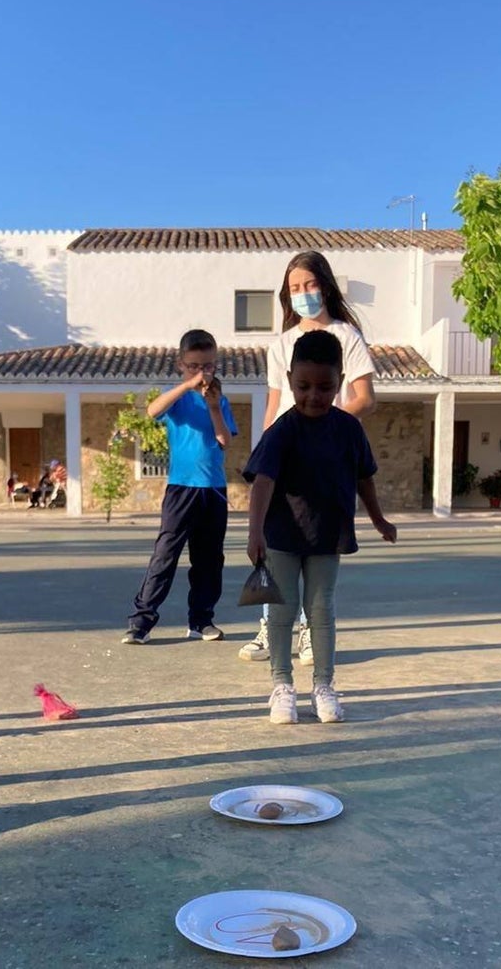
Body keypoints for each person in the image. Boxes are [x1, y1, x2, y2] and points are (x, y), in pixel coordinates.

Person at [243, 330, 397, 724]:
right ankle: (282, 686)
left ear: (340, 380)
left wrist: (378, 517)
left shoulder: (348, 429)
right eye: (303, 386)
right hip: (281, 537)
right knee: (282, 609)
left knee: (320, 609)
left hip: (327, 534)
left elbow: (365, 477)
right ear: (290, 377)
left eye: (325, 387)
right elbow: (263, 482)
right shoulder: (282, 431)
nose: (313, 395)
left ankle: (324, 686)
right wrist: (255, 531)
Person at [239, 250, 377, 665]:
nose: (303, 294)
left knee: (317, 547)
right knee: (276, 544)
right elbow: (274, 404)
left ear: (326, 286)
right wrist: (267, 448)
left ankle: (308, 634)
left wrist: (321, 428)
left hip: (323, 462)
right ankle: (271, 628)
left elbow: (365, 399)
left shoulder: (347, 337)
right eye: (294, 288)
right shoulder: (280, 344)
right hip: (285, 461)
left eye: (309, 285)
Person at [122, 329, 237, 644]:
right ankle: (141, 622)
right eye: (194, 366)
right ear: (181, 365)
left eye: (209, 366)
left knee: (209, 559)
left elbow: (224, 440)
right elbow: (152, 410)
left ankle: (201, 621)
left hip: (213, 489)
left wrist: (214, 407)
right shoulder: (177, 399)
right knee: (165, 554)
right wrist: (187, 386)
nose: (202, 372)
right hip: (181, 489)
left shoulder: (221, 401)